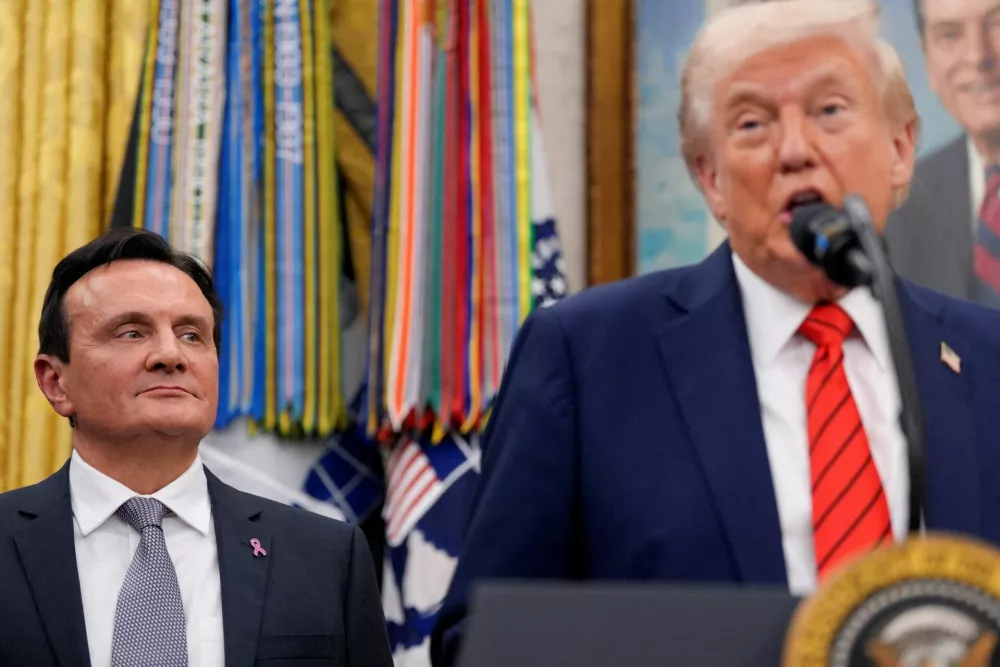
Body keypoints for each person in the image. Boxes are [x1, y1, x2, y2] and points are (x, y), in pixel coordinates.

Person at [430, 0, 1000, 664]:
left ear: (901, 148)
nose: (795, 150)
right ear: (710, 178)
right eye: (753, 123)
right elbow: (485, 635)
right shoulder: (587, 361)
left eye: (830, 110)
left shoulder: (987, 360)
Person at [0, 227, 393, 666]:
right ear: (56, 382)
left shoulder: (326, 558)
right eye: (131, 333)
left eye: (191, 335)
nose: (171, 354)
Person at [885, 0, 1000, 306]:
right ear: (927, 60)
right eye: (949, 35)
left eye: (998, 23)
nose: (978, 55)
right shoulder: (899, 204)